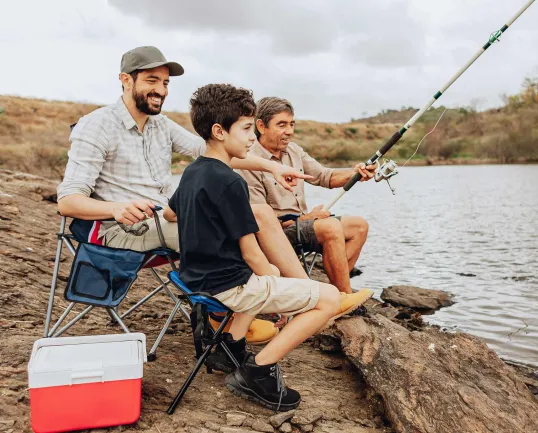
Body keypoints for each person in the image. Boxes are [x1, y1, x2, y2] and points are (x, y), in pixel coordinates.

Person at [56, 46, 312, 343]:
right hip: (123, 229)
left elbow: (218, 149)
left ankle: (303, 293)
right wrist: (115, 208)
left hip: (166, 219)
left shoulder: (160, 125)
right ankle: (228, 321)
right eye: (152, 81)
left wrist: (271, 167)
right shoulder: (97, 125)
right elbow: (67, 201)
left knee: (260, 213)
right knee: (233, 232)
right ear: (126, 80)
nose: (161, 90)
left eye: (165, 83)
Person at [164, 84, 373, 410]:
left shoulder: (192, 172)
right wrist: (279, 285)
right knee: (328, 298)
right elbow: (250, 253)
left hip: (193, 279)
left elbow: (170, 212)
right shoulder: (231, 181)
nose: (251, 138)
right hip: (226, 286)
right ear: (219, 131)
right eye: (247, 128)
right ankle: (257, 371)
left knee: (267, 274)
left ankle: (230, 344)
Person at [237, 97, 375, 294]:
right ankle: (344, 297)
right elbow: (261, 220)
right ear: (261, 126)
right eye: (282, 125)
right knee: (330, 227)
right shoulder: (248, 160)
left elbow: (324, 177)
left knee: (359, 226)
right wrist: (308, 218)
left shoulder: (293, 150)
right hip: (277, 233)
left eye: (292, 124)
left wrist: (357, 173)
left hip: (303, 225)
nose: (289, 131)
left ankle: (335, 288)